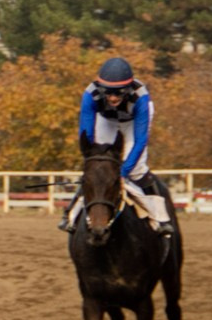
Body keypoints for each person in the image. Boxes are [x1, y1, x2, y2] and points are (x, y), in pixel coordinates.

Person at [60, 55, 174, 236]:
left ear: (128, 89)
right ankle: (71, 214)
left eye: (119, 92)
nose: (113, 98)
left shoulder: (141, 98)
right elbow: (87, 135)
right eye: (109, 92)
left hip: (133, 122)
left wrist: (122, 172)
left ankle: (160, 218)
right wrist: (94, 161)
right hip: (107, 120)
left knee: (136, 169)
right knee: (97, 170)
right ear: (101, 88)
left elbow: (140, 141)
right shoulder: (90, 95)